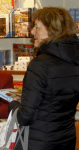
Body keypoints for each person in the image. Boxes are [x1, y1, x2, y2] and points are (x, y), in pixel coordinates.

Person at [8, 7, 79, 150]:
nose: (32, 31)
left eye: (37, 27)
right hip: (67, 139)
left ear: (52, 30)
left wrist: (14, 105)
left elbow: (25, 117)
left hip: (39, 142)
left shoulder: (40, 64)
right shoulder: (75, 60)